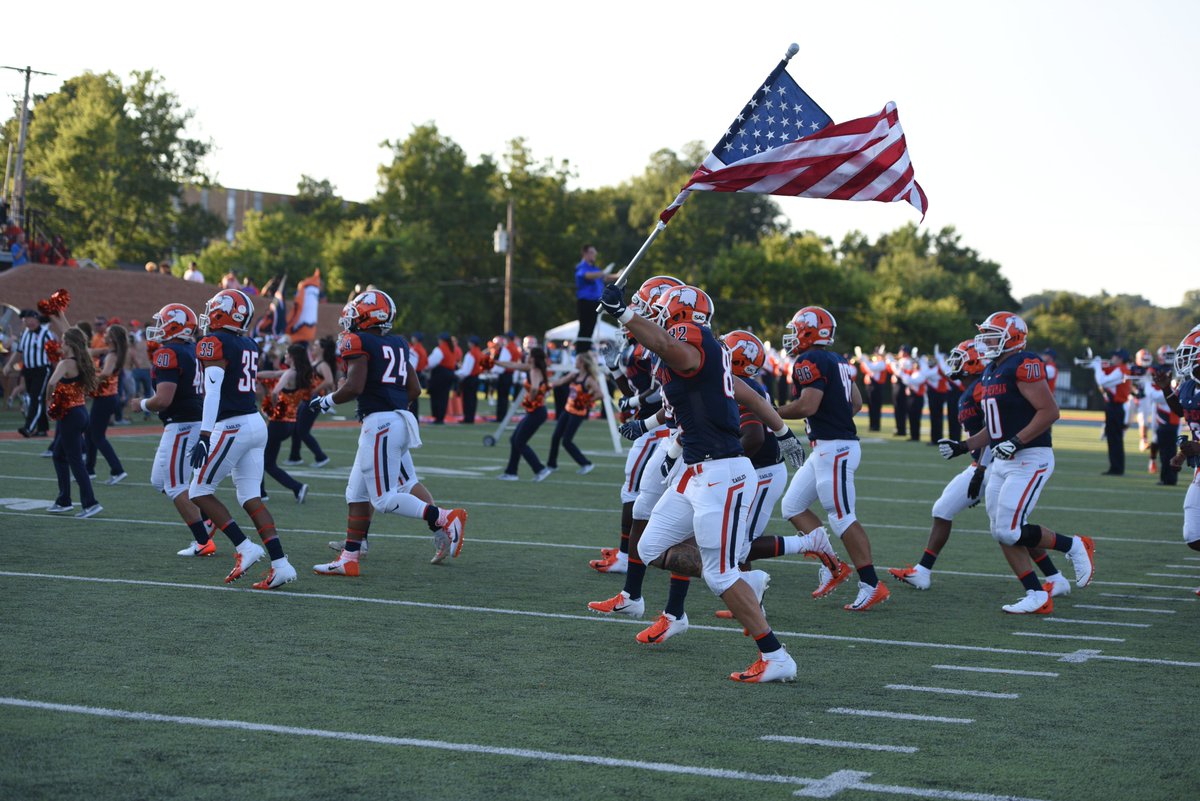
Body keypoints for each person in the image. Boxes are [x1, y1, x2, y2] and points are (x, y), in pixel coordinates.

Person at [597, 281, 802, 682]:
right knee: (650, 546)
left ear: (678, 317)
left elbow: (673, 350)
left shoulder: (692, 342)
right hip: (694, 471)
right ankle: (740, 579)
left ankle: (775, 655)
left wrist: (624, 314)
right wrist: (783, 431)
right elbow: (748, 396)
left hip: (721, 472)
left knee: (719, 573)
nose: (653, 315)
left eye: (660, 311)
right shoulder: (709, 352)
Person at [937, 311, 1096, 613]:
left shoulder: (1024, 363)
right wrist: (963, 445)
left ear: (1013, 338)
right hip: (1003, 459)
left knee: (1009, 529)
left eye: (992, 336)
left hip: (1030, 457)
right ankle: (1036, 594)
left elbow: (1049, 411)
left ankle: (1075, 545)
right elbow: (995, 428)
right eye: (984, 335)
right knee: (1000, 529)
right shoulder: (991, 370)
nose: (984, 342)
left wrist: (1018, 441)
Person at [890, 339, 1071, 595]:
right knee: (952, 512)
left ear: (975, 361)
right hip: (985, 464)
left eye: (960, 357)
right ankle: (923, 571)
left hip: (994, 464)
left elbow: (996, 431)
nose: (954, 363)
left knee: (1010, 529)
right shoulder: (975, 386)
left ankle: (1056, 572)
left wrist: (980, 470)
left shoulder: (981, 388)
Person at [310, 289, 467, 576]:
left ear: (370, 317)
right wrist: (392, 407)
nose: (351, 321)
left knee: (383, 499)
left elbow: (354, 387)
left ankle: (444, 517)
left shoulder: (358, 340)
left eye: (357, 315)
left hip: (381, 424)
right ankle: (350, 557)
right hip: (396, 420)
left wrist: (326, 401)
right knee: (356, 494)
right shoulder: (397, 343)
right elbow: (415, 389)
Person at [188, 288, 298, 590]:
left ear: (223, 312)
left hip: (232, 425)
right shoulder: (247, 342)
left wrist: (205, 435)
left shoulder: (214, 342)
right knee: (249, 497)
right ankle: (280, 564)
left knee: (198, 489)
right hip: (254, 423)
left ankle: (244, 547)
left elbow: (213, 392)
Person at [776, 306, 883, 611]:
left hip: (835, 448)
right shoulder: (838, 360)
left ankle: (871, 583)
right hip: (828, 446)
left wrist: (770, 413)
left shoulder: (809, 360)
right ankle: (833, 565)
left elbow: (807, 406)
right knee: (792, 506)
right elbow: (857, 402)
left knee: (842, 516)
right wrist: (835, 416)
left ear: (809, 331)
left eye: (797, 329)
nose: (793, 336)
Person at [140, 303, 214, 556]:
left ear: (175, 324)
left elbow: (163, 400)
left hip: (182, 424)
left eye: (162, 322)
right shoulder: (194, 349)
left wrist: (141, 404)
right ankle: (206, 518)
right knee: (159, 481)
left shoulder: (168, 352)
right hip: (191, 419)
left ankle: (203, 541)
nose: (158, 327)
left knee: (174, 486)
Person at [45, 327, 103, 518]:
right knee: (59, 455)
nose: (61, 344)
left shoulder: (66, 363)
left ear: (69, 343)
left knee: (75, 461)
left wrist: (48, 402)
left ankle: (90, 503)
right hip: (80, 412)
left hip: (70, 415)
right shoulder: (83, 360)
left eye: (63, 341)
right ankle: (64, 501)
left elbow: (52, 383)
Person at [1159, 327, 1200, 593]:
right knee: (1193, 533)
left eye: (1191, 355)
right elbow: (1186, 413)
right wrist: (1166, 390)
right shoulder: (1189, 385)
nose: (1185, 361)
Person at [256, 343, 312, 504]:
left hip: (278, 422)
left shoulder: (289, 373)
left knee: (262, 459)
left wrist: (273, 407)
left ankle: (291, 488)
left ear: (293, 357)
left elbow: (275, 392)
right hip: (290, 423)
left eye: (287, 354)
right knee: (268, 461)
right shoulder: (300, 373)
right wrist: (254, 374)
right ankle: (266, 492)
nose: (285, 357)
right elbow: (274, 373)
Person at [496, 346, 554, 480]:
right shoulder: (532, 368)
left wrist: (531, 400)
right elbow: (512, 365)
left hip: (537, 412)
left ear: (532, 358)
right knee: (515, 439)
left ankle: (540, 469)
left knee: (520, 441)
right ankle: (511, 472)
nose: (526, 356)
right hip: (536, 412)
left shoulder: (533, 370)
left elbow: (534, 388)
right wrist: (496, 362)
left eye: (529, 354)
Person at [84, 323, 129, 484]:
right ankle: (89, 469)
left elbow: (106, 373)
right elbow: (90, 352)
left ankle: (117, 470)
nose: (105, 334)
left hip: (106, 398)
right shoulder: (111, 352)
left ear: (113, 337)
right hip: (106, 397)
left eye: (108, 333)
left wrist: (89, 380)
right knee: (90, 433)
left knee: (97, 436)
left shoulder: (112, 355)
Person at [545, 353, 599, 474]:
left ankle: (586, 464)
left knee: (566, 441)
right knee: (555, 437)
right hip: (567, 409)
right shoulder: (574, 375)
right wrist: (547, 385)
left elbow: (600, 394)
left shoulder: (588, 379)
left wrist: (586, 400)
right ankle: (551, 465)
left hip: (578, 413)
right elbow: (560, 381)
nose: (575, 362)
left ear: (582, 363)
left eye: (577, 360)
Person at [285, 337, 334, 467]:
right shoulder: (314, 362)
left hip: (315, 401)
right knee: (296, 429)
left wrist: (315, 390)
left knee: (302, 431)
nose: (313, 347)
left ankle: (321, 457)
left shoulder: (322, 364)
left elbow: (329, 381)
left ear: (322, 349)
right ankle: (294, 457)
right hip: (306, 400)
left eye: (316, 345)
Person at [6, 309, 54, 438]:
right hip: (28, 370)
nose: (28, 322)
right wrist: (9, 364)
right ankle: (42, 428)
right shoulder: (25, 333)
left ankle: (29, 427)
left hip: (42, 369)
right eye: (26, 320)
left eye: (30, 319)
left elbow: (55, 352)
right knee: (36, 398)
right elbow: (19, 352)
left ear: (37, 320)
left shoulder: (46, 334)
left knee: (36, 398)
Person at [1093, 348, 1132, 475]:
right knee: (1113, 438)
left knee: (1115, 439)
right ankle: (1115, 467)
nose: (1112, 359)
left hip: (1116, 407)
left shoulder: (1121, 369)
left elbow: (1102, 381)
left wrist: (1097, 367)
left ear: (1120, 358)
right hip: (1114, 407)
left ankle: (1117, 468)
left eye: (1114, 356)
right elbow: (1105, 382)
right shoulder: (1120, 369)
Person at [573, 244, 618, 355]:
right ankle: (580, 354)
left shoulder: (595, 269)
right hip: (585, 302)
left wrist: (618, 275)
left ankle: (585, 353)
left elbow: (605, 277)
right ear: (585, 253)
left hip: (595, 303)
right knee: (585, 329)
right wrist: (603, 272)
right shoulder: (582, 267)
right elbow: (588, 276)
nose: (595, 255)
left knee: (591, 329)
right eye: (592, 252)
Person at [1149, 346, 1181, 483]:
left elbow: (1157, 397)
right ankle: (1167, 478)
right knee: (1166, 452)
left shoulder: (1176, 374)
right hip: (1166, 419)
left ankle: (1169, 479)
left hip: (1169, 419)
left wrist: (1146, 383)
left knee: (1167, 452)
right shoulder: (1169, 371)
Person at [425, 332, 460, 424]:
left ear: (441, 340)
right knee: (444, 396)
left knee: (436, 395)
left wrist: (425, 367)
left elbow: (430, 363)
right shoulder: (452, 349)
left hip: (440, 374)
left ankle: (437, 417)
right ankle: (441, 417)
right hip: (449, 374)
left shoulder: (439, 349)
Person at [856, 345, 888, 432]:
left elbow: (871, 368)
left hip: (876, 386)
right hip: (870, 386)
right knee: (871, 406)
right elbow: (865, 368)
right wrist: (862, 359)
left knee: (876, 407)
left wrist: (864, 358)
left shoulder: (882, 363)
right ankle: (872, 425)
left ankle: (876, 425)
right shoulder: (874, 362)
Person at [455, 335, 486, 424]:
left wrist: (455, 373)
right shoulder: (479, 353)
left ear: (471, 344)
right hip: (476, 378)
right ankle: (470, 417)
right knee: (473, 399)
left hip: (469, 379)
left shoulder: (471, 354)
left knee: (468, 399)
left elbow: (466, 371)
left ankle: (467, 418)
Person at [285, 269, 322, 343]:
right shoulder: (314, 290)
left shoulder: (304, 288)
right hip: (308, 331)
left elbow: (298, 306)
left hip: (299, 329)